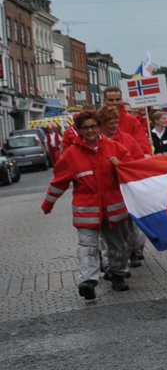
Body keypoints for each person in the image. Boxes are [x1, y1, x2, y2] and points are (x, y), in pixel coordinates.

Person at [41, 110, 136, 299]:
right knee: (87, 247)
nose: (90, 131)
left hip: (114, 210)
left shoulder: (115, 148)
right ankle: (88, 281)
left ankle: (117, 275)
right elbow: (59, 182)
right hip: (86, 212)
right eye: (86, 128)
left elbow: (133, 171)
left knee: (118, 246)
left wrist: (121, 165)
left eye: (93, 126)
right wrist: (48, 204)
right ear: (78, 130)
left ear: (99, 127)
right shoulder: (70, 155)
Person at [101, 87, 154, 266]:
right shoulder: (98, 120)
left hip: (126, 175)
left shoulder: (131, 122)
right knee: (107, 222)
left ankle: (134, 248)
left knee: (131, 218)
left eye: (118, 99)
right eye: (111, 100)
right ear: (105, 101)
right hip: (105, 181)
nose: (115, 103)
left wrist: (142, 168)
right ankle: (112, 257)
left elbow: (140, 144)